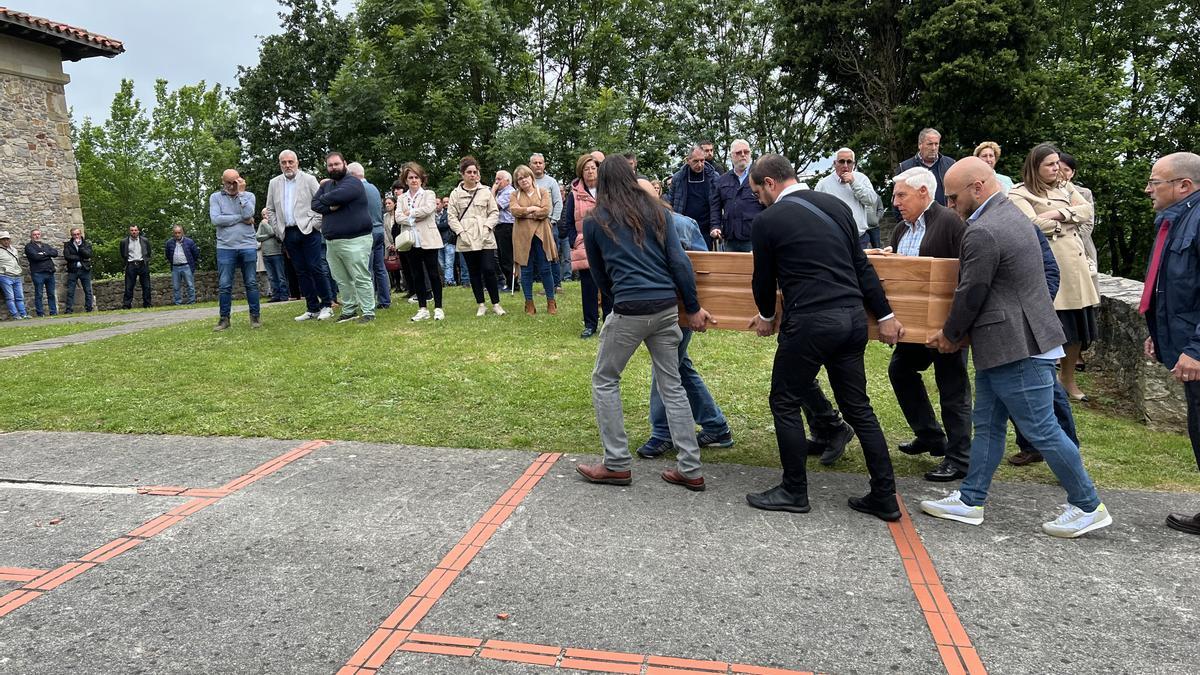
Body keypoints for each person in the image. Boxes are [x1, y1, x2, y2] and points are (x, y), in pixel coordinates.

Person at [922, 157, 1112, 538]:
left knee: (1042, 429)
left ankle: (1088, 505)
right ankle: (971, 500)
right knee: (988, 425)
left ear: (978, 187)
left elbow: (971, 291)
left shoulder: (983, 231)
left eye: (955, 196)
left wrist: (950, 334)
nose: (952, 204)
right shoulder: (1013, 217)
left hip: (1016, 346)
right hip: (1012, 342)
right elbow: (1043, 274)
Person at [745, 154, 904, 520]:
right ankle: (884, 495)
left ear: (770, 183)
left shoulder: (769, 220)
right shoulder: (835, 207)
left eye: (758, 192)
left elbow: (763, 279)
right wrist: (885, 315)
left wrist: (768, 316)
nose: (759, 200)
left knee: (784, 401)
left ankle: (794, 490)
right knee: (859, 408)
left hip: (811, 321)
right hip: (850, 319)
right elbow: (861, 265)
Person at [575, 157, 715, 492]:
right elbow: (679, 262)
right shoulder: (658, 212)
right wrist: (692, 307)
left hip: (629, 308)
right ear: (632, 177)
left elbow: (599, 274)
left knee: (605, 379)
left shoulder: (595, 220)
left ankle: (616, 463)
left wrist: (616, 303)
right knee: (673, 384)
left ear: (603, 184)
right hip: (666, 307)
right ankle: (690, 468)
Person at [634, 178, 734, 459]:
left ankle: (662, 433)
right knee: (679, 366)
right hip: (666, 308)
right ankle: (716, 426)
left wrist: (693, 308)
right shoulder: (641, 225)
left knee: (665, 368)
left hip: (677, 310)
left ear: (657, 193)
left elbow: (702, 272)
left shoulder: (678, 224)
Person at [887, 167, 970, 481]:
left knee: (953, 388)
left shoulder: (949, 222)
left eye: (901, 195)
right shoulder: (901, 230)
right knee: (900, 370)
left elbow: (965, 272)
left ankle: (960, 458)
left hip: (944, 327)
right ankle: (931, 436)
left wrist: (956, 328)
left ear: (924, 193)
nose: (895, 201)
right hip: (913, 327)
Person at [1008, 143, 1098, 401]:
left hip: (1075, 268)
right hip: (1048, 267)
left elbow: (1087, 210)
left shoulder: (1066, 187)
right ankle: (1045, 380)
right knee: (1051, 328)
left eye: (1057, 163)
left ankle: (1068, 380)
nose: (1056, 168)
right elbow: (1030, 224)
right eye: (1050, 164)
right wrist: (1065, 224)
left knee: (1077, 330)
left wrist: (1058, 213)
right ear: (1035, 167)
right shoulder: (1019, 193)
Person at [1141, 151, 1200, 535]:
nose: (1149, 189)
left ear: (1184, 186)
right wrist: (1157, 331)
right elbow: (1176, 286)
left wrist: (1197, 349)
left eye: (1155, 182)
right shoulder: (1179, 220)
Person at [267, 150, 333, 321]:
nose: (287, 165)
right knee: (300, 271)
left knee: (315, 267)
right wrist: (278, 229)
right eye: (284, 162)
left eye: (290, 162)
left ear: (297, 162)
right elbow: (271, 210)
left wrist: (315, 224)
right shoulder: (274, 183)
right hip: (288, 232)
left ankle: (327, 304)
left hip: (308, 230)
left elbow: (321, 202)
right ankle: (312, 307)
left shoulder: (309, 179)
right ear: (279, 164)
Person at [312, 152, 376, 323]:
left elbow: (337, 196)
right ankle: (349, 310)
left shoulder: (353, 182)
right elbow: (314, 204)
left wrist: (324, 200)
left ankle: (368, 311)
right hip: (332, 241)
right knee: (341, 278)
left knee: (360, 276)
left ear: (344, 164)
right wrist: (331, 207)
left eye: (336, 164)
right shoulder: (326, 185)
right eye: (330, 165)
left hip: (356, 239)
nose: (333, 168)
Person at [448, 156, 506, 317]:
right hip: (466, 236)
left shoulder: (486, 191)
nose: (472, 175)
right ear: (462, 174)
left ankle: (496, 303)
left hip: (485, 235)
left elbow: (494, 212)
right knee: (473, 271)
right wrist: (460, 232)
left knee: (489, 269)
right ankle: (481, 304)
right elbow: (451, 216)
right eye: (469, 172)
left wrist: (488, 226)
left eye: (475, 172)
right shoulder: (455, 194)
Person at [563, 153, 613, 337]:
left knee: (608, 283)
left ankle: (609, 321)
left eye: (593, 168)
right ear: (581, 172)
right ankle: (590, 324)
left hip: (608, 242)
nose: (591, 172)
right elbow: (568, 222)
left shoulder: (608, 191)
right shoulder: (574, 195)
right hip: (584, 244)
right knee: (589, 286)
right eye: (586, 169)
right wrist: (574, 240)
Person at [209, 169, 261, 330]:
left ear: (240, 181)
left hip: (247, 245)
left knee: (251, 283)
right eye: (228, 183)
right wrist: (241, 219)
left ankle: (255, 317)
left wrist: (242, 194)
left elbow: (249, 213)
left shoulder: (249, 196)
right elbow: (216, 219)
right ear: (222, 181)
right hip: (225, 247)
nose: (231, 186)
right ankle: (224, 319)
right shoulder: (215, 197)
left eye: (234, 182)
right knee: (225, 285)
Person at [396, 162, 444, 322]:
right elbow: (398, 217)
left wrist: (409, 213)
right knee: (416, 275)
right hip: (410, 241)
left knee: (433, 274)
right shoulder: (402, 197)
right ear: (406, 180)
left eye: (416, 177)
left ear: (421, 179)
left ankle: (438, 307)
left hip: (428, 240)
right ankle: (422, 308)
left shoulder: (428, 194)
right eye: (410, 177)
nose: (414, 180)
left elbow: (428, 209)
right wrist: (413, 218)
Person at [510, 164, 558, 315]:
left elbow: (545, 210)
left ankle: (551, 302)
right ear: (517, 182)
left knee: (545, 268)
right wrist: (532, 209)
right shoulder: (514, 195)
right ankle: (529, 303)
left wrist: (526, 213)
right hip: (522, 236)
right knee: (526, 269)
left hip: (541, 234)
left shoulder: (542, 191)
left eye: (526, 177)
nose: (523, 180)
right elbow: (514, 210)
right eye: (520, 179)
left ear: (531, 177)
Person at [815, 147, 879, 248]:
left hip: (859, 239)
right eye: (841, 161)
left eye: (849, 162)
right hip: (834, 239)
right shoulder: (823, 184)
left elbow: (871, 200)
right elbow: (816, 212)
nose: (845, 165)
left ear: (853, 164)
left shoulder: (861, 179)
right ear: (834, 163)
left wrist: (854, 183)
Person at [347, 162, 391, 310]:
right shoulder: (374, 188)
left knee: (366, 269)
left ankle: (368, 302)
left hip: (366, 232)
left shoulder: (357, 189)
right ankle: (385, 300)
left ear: (352, 175)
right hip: (379, 230)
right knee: (380, 268)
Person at [1058, 151, 1099, 298]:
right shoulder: (1045, 193)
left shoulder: (1084, 193)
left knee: (1087, 296)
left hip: (1082, 249)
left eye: (1066, 170)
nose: (1062, 173)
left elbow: (1088, 224)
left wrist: (1070, 240)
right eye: (1059, 168)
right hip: (1056, 250)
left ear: (1073, 173)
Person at [708, 139, 761, 252]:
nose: (743, 155)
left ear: (750, 154)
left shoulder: (759, 177)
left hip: (754, 238)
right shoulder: (722, 180)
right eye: (738, 152)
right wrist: (715, 227)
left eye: (746, 152)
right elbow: (715, 207)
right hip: (730, 239)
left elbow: (769, 206)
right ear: (731, 156)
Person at [670, 146, 722, 250]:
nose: (700, 164)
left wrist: (715, 226)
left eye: (702, 160)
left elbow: (718, 204)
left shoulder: (714, 177)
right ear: (688, 160)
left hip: (706, 230)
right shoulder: (678, 178)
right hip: (684, 229)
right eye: (696, 161)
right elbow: (671, 202)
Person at [530, 153, 566, 287]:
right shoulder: (526, 182)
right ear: (530, 165)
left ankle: (557, 284)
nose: (538, 165)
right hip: (531, 226)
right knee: (537, 256)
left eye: (540, 162)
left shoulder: (551, 182)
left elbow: (558, 203)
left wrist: (553, 221)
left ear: (544, 165)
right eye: (535, 163)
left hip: (549, 225)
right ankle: (544, 283)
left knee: (553, 254)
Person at [899, 128, 956, 206]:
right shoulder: (905, 167)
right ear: (920, 145)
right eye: (930, 144)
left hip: (946, 216)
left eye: (936, 144)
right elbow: (898, 197)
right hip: (917, 217)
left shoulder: (950, 164)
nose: (933, 148)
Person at [256, 209, 289, 302]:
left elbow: (273, 232)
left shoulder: (274, 223)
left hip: (276, 253)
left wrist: (266, 225)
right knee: (271, 276)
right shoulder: (261, 224)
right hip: (266, 254)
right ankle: (275, 295)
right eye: (263, 214)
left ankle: (284, 295)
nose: (264, 216)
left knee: (280, 276)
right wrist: (267, 236)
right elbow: (258, 237)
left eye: (266, 213)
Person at [23, 228, 59, 316]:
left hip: (49, 272)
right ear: (31, 236)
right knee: (39, 294)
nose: (37, 236)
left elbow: (55, 253)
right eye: (34, 234)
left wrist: (43, 253)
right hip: (38, 273)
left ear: (40, 235)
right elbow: (35, 257)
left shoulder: (46, 245)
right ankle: (40, 313)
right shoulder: (29, 247)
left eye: (38, 234)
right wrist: (47, 254)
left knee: (51, 294)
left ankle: (53, 312)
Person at [493, 169, 517, 291]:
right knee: (501, 257)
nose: (496, 182)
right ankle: (507, 282)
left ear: (507, 181)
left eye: (499, 179)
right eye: (496, 179)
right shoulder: (500, 193)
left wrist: (492, 191)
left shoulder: (509, 192)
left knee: (507, 257)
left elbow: (494, 206)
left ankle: (513, 284)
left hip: (507, 226)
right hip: (500, 227)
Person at [165, 225, 200, 305]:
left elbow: (195, 254)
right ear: (173, 233)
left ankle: (192, 301)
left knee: (190, 285)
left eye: (179, 233)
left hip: (186, 266)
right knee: (176, 287)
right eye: (175, 233)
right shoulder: (169, 243)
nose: (177, 234)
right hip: (175, 267)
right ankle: (178, 303)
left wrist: (191, 263)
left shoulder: (189, 242)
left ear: (182, 233)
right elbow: (167, 255)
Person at [62, 227, 93, 313]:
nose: (76, 236)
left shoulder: (86, 244)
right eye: (74, 235)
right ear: (71, 235)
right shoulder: (68, 245)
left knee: (88, 290)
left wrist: (80, 247)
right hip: (73, 270)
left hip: (84, 269)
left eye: (78, 234)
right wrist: (80, 258)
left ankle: (89, 308)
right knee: (70, 290)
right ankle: (69, 309)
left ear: (80, 234)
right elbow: (67, 256)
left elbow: (88, 255)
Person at [120, 225, 152, 309]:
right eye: (132, 230)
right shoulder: (124, 242)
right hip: (131, 264)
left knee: (146, 286)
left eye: (135, 230)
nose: (134, 232)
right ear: (129, 231)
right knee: (129, 286)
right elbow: (123, 254)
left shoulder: (145, 240)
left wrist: (146, 260)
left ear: (138, 231)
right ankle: (127, 305)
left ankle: (147, 304)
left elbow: (148, 252)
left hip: (142, 263)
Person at [0, 231, 30, 320]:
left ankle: (23, 314)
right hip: (5, 276)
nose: (6, 241)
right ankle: (15, 315)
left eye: (7, 239)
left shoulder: (14, 250)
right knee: (10, 297)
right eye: (3, 239)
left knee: (20, 296)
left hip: (16, 275)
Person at [435, 195, 457, 286]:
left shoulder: (448, 213)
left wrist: (436, 226)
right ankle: (446, 280)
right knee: (442, 264)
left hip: (448, 240)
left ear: (441, 204)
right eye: (434, 204)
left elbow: (447, 224)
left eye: (437, 203)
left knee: (449, 263)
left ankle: (449, 281)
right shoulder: (431, 216)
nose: (436, 206)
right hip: (438, 242)